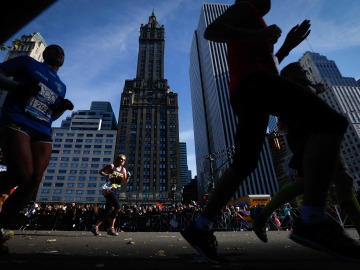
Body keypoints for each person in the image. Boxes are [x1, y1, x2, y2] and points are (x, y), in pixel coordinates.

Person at [180, 0, 360, 263]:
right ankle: (312, 219)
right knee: (331, 121)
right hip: (254, 85)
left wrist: (286, 45)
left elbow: (270, 64)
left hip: (250, 90)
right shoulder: (246, 8)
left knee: (244, 163)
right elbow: (212, 31)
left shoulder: (256, 21)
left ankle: (200, 226)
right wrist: (260, 34)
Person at [252, 62, 360, 242]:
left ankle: (263, 215)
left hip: (310, 137)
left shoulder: (289, 93)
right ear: (292, 74)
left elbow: (281, 125)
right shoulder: (296, 89)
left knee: (310, 183)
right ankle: (279, 218)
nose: (305, 72)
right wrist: (316, 88)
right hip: (312, 137)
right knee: (342, 181)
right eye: (301, 70)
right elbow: (286, 119)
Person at [0, 44, 73, 251]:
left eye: (62, 51)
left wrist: (62, 109)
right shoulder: (27, 63)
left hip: (42, 129)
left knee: (34, 180)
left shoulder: (61, 85)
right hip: (17, 120)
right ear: (45, 53)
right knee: (22, 173)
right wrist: (17, 87)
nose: (60, 52)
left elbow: (52, 115)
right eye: (55, 49)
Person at [90, 154, 130, 236]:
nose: (122, 161)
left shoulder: (124, 170)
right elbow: (100, 172)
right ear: (117, 159)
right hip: (108, 188)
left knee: (107, 211)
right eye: (121, 159)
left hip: (116, 189)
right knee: (118, 205)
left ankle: (95, 226)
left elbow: (125, 181)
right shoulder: (112, 166)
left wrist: (128, 176)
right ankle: (111, 228)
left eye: (124, 160)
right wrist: (106, 175)